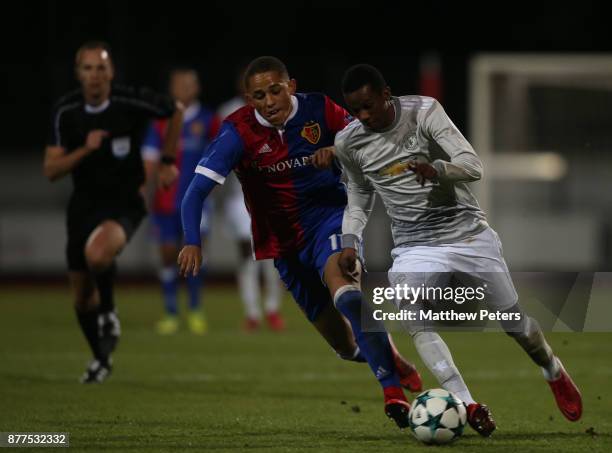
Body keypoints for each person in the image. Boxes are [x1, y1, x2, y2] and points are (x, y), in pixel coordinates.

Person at [334, 63, 583, 436]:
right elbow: (358, 197)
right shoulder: (349, 142)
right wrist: (351, 240)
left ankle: (552, 368)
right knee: (409, 308)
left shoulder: (424, 112)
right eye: (356, 110)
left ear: (387, 95)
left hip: (467, 234)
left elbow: (473, 165)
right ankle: (466, 403)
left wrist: (437, 169)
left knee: (517, 326)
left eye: (369, 106)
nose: (363, 116)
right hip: (414, 246)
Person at [177, 56, 422, 428]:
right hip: (284, 245)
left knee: (349, 294)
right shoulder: (236, 132)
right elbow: (195, 193)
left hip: (329, 219)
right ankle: (388, 355)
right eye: (259, 95)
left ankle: (392, 394)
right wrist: (192, 240)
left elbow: (366, 142)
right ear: (249, 99)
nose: (269, 101)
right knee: (345, 347)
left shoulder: (320, 109)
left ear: (290, 86)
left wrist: (338, 153)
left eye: (276, 90)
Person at [44, 41, 183, 383]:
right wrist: (84, 150)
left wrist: (167, 162)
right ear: (78, 74)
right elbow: (51, 170)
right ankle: (100, 358)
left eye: (100, 67)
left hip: (125, 203)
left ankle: (109, 313)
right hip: (83, 207)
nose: (95, 75)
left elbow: (176, 110)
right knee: (80, 296)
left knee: (98, 254)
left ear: (111, 72)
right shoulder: (66, 111)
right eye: (87, 68)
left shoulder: (128, 101)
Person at [142, 68, 219, 335]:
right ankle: (171, 312)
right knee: (166, 256)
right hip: (164, 202)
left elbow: (223, 154)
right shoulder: (161, 120)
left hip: (198, 202)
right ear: (172, 88)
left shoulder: (209, 120)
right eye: (179, 84)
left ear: (197, 88)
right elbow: (150, 160)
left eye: (189, 84)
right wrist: (145, 191)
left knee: (196, 254)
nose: (185, 88)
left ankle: (196, 311)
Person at [217, 77, 284, 332]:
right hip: (238, 196)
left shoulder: (275, 109)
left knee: (272, 255)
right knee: (247, 252)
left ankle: (272, 309)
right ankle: (252, 312)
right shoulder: (227, 113)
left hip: (271, 195)